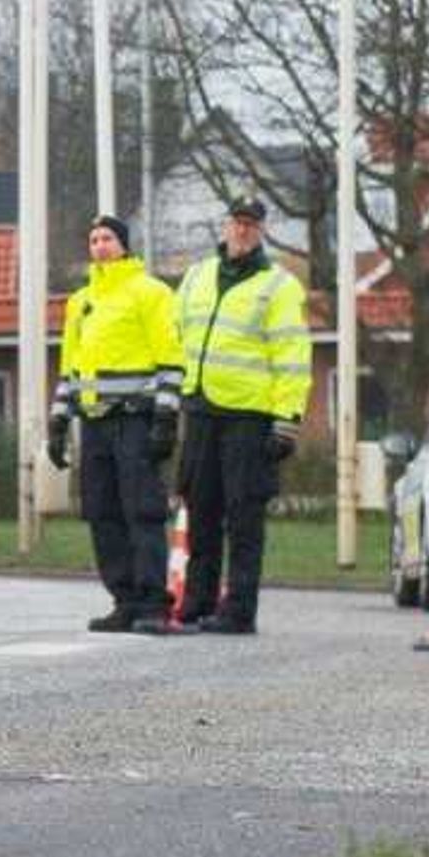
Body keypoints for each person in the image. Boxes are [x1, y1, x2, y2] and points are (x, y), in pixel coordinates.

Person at [170, 196, 312, 634]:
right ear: (226, 226)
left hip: (249, 416)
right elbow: (175, 336)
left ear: (261, 230)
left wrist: (286, 421)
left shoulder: (279, 286)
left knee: (244, 515)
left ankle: (239, 609)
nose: (243, 230)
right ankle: (197, 601)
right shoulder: (196, 276)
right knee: (202, 510)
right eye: (237, 222)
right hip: (200, 409)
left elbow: (291, 355)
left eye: (251, 224)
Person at [49, 215, 183, 632]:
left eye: (108, 238)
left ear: (124, 245)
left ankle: (152, 603)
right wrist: (58, 422)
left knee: (142, 511)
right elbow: (71, 368)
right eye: (93, 239)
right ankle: (123, 600)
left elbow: (171, 357)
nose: (100, 245)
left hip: (135, 419)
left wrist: (165, 416)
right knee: (102, 513)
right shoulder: (80, 303)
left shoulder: (151, 293)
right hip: (94, 423)